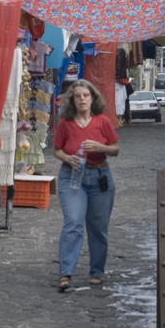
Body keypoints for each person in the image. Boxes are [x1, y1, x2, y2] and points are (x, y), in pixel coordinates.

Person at [52, 80, 119, 292]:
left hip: (100, 176)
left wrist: (101, 147)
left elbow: (115, 149)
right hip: (71, 178)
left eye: (86, 95)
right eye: (78, 96)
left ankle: (97, 271)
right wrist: (67, 157)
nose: (82, 99)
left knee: (98, 228)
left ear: (93, 98)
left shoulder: (102, 121)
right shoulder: (65, 123)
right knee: (73, 222)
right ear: (72, 99)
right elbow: (56, 150)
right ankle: (66, 273)